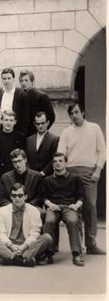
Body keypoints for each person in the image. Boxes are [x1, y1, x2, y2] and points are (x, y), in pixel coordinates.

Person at [58, 103, 106, 255]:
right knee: (74, 208)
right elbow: (61, 152)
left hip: (88, 171)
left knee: (90, 206)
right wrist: (62, 170)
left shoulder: (94, 128)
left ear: (83, 113)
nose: (74, 115)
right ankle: (77, 246)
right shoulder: (66, 132)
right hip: (71, 171)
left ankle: (91, 244)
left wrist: (98, 169)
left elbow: (102, 151)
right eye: (71, 113)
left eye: (77, 112)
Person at [0, 183, 52, 267]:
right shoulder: (2, 211)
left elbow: (35, 233)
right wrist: (11, 246)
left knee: (47, 238)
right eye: (14, 195)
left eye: (20, 195)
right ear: (11, 197)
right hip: (9, 245)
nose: (17, 198)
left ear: (25, 197)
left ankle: (9, 258)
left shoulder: (34, 211)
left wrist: (23, 247)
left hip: (26, 246)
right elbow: (1, 233)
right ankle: (22, 261)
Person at [42, 153, 85, 266]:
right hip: (54, 207)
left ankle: (76, 254)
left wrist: (76, 205)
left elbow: (81, 196)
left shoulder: (75, 178)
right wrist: (50, 204)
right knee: (49, 221)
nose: (58, 163)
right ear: (52, 164)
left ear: (66, 163)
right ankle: (48, 254)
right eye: (55, 161)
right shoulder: (48, 180)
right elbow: (43, 197)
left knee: (72, 221)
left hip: (69, 207)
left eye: (60, 161)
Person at [0, 149, 43, 214]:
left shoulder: (37, 176)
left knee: (42, 213)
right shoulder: (5, 177)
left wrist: (27, 206)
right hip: (11, 207)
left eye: (19, 161)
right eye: (14, 162)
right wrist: (12, 206)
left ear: (25, 160)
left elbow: (40, 197)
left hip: (30, 207)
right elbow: (1, 198)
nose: (17, 164)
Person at [19, 70, 55, 137]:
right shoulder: (19, 97)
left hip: (37, 135)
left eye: (26, 80)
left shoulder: (41, 96)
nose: (23, 83)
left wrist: (41, 131)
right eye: (21, 81)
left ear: (32, 81)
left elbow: (51, 117)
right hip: (22, 135)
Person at [0, 67, 29, 135]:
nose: (6, 81)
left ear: (13, 79)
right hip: (1, 131)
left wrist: (23, 134)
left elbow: (25, 117)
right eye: (4, 79)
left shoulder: (22, 95)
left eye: (9, 78)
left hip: (17, 131)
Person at [0, 110, 26, 181]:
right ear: (1, 121)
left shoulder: (21, 137)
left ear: (15, 122)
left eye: (11, 120)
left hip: (15, 172)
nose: (8, 123)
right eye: (6, 120)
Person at [26, 111, 59, 177]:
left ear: (48, 123)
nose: (40, 126)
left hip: (47, 177)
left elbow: (54, 158)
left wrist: (43, 172)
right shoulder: (29, 140)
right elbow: (27, 158)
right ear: (34, 124)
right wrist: (29, 172)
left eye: (42, 123)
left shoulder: (54, 139)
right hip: (31, 177)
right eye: (38, 124)